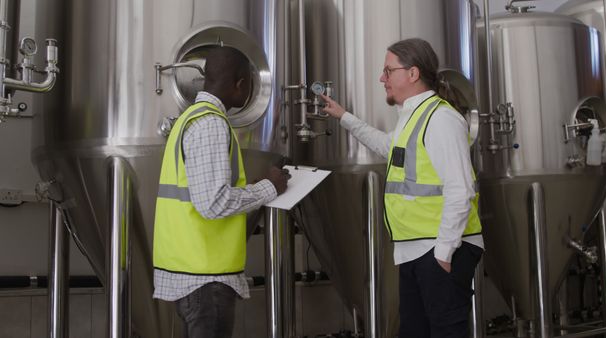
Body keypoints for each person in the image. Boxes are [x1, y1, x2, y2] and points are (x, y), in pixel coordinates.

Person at [322, 38, 484, 337]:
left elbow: (460, 190)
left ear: (413, 74)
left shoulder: (442, 119)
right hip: (416, 248)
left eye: (388, 70)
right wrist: (344, 118)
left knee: (446, 331)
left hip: (439, 247)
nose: (382, 79)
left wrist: (444, 252)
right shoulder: (413, 117)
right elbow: (388, 146)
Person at [152, 46, 290, 338]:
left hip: (190, 272)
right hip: (205, 279)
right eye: (250, 84)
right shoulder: (212, 124)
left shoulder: (189, 120)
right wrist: (269, 188)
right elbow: (213, 204)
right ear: (239, 82)